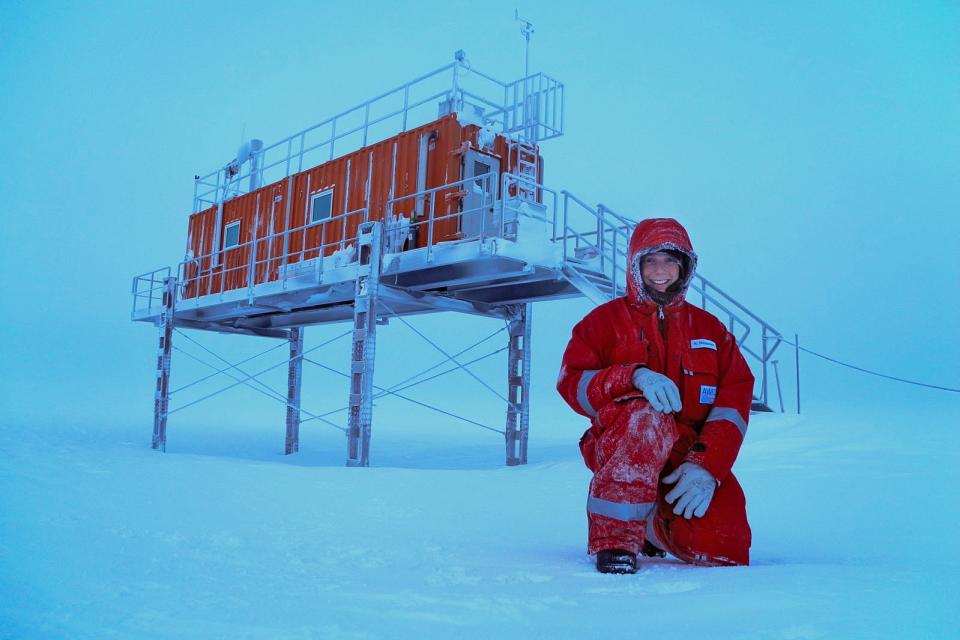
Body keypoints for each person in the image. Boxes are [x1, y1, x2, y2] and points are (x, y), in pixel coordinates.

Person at [557, 218, 754, 574]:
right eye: (651, 261)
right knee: (645, 418)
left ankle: (651, 527)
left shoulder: (711, 331)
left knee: (726, 546)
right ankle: (615, 540)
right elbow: (573, 385)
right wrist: (632, 376)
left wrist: (707, 466)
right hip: (620, 441)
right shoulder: (601, 323)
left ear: (685, 267)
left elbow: (733, 403)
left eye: (670, 261)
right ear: (635, 265)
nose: (661, 271)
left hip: (686, 451)